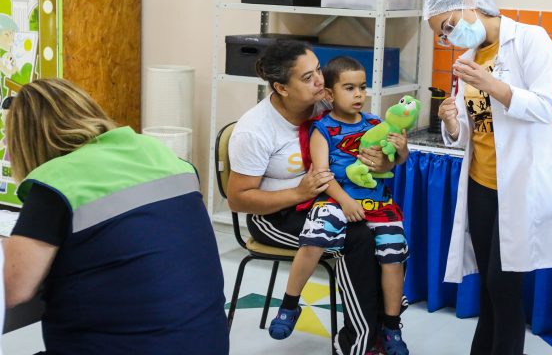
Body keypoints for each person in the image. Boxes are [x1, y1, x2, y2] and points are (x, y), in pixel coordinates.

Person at [2, 78, 228, 355]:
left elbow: (14, 289)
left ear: (24, 141)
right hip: (206, 342)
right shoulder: (162, 155)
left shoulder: (56, 183)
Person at [423, 0, 552, 355]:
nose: (449, 37)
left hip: (520, 183)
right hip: (481, 181)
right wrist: (451, 122)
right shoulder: (471, 57)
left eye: (447, 26)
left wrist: (492, 84)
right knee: (491, 288)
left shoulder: (530, 40)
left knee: (504, 284)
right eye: (443, 35)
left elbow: (547, 109)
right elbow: (472, 129)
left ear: (470, 3)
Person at [227, 41, 399, 355]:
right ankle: (359, 343)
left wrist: (384, 161)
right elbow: (238, 200)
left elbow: (370, 148)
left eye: (318, 69)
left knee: (378, 234)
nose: (320, 81)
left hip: (325, 204)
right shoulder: (254, 130)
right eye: (307, 78)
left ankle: (381, 330)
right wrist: (297, 192)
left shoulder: (326, 105)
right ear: (281, 87)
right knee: (355, 238)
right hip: (273, 215)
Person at [267, 57, 412, 354]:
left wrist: (400, 149)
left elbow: (398, 161)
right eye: (349, 88)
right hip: (333, 198)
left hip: (378, 202)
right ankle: (290, 304)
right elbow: (322, 174)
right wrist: (344, 201)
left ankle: (391, 325)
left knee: (393, 256)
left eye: (362, 87)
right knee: (313, 240)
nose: (358, 94)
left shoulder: (377, 123)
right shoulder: (323, 128)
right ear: (330, 95)